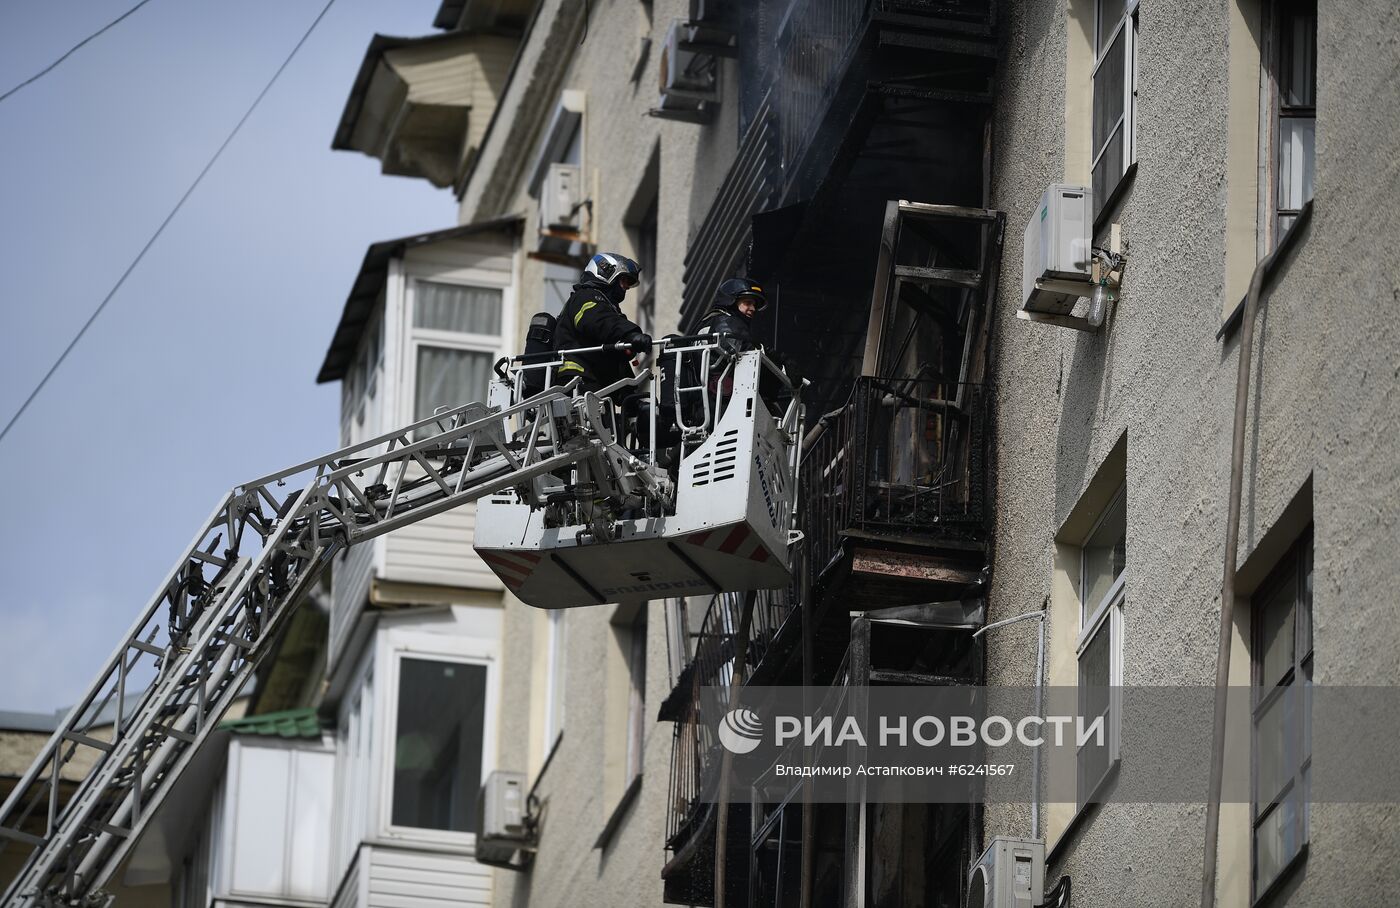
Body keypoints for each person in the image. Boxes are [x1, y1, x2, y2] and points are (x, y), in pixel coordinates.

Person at [553, 252, 652, 394]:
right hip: (576, 380)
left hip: (594, 383)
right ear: (605, 273)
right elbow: (597, 321)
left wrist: (632, 399)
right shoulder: (585, 297)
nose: (627, 287)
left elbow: (615, 358)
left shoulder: (608, 308)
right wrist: (630, 334)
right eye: (623, 280)